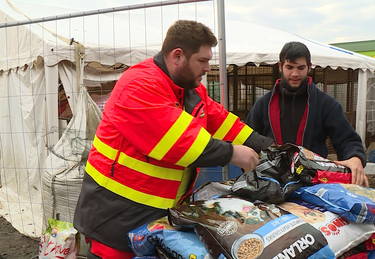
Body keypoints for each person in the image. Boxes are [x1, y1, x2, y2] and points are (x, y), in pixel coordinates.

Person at [73, 20, 273, 259]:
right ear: (177, 56)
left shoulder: (189, 88)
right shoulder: (140, 84)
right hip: (115, 216)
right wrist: (234, 154)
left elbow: (219, 120)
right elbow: (180, 143)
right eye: (202, 60)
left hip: (155, 215)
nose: (208, 68)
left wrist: (267, 147)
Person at [245, 41, 369, 187]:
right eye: (289, 67)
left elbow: (348, 139)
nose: (295, 74)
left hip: (314, 185)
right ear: (280, 67)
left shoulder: (326, 104)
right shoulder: (263, 104)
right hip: (271, 184)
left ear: (309, 67)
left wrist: (355, 158)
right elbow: (248, 137)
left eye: (301, 68)